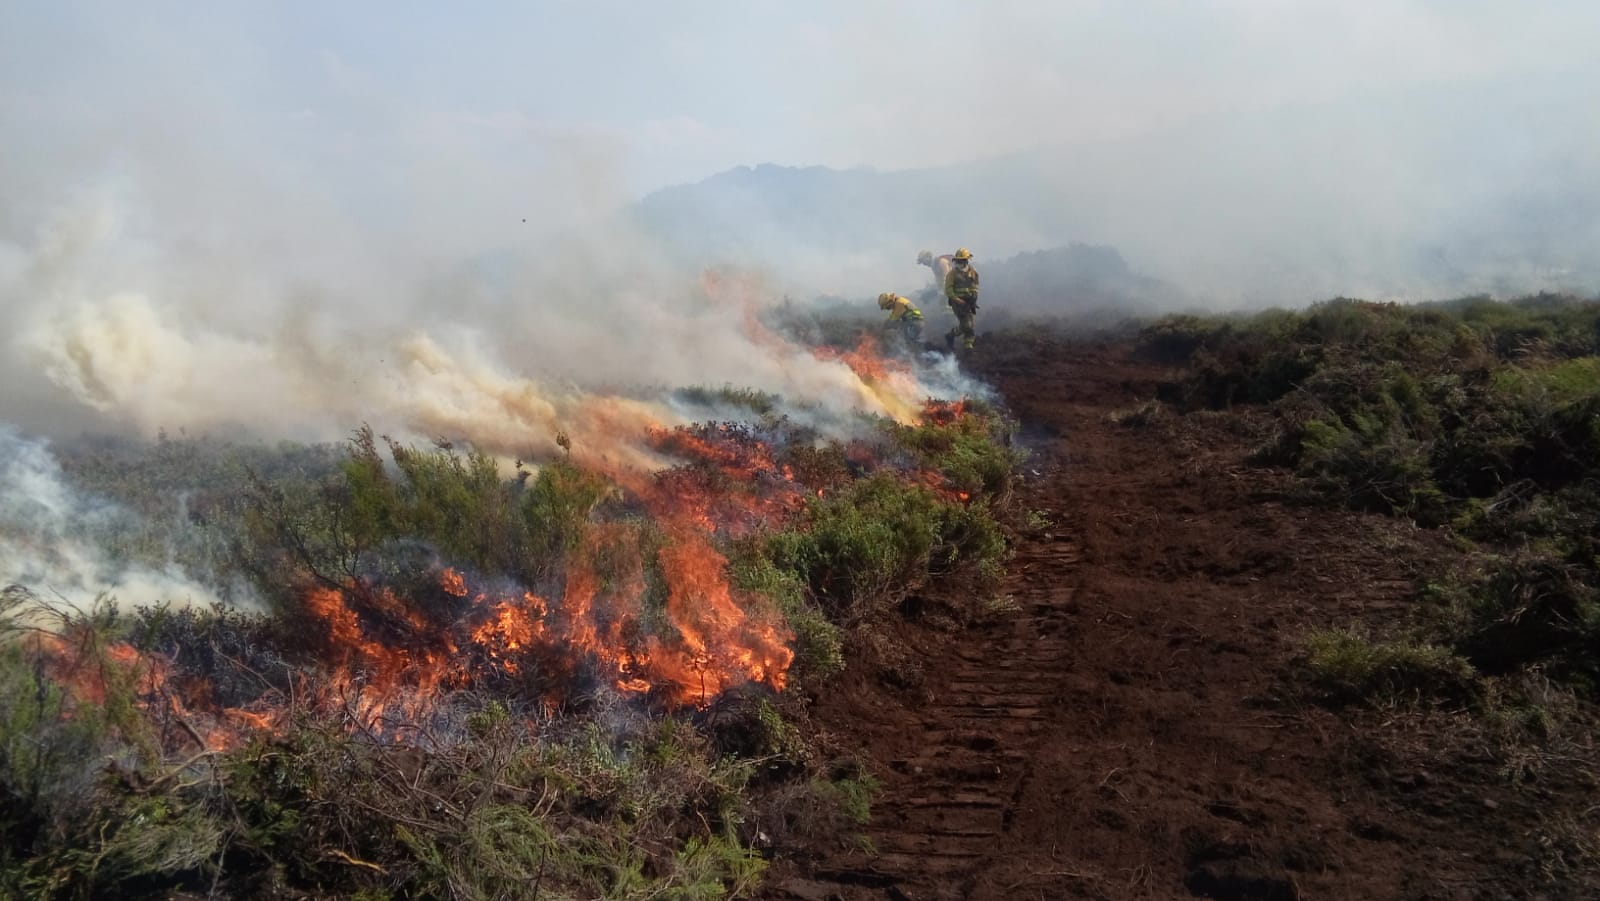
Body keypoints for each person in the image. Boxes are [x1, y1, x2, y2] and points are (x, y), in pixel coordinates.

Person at [943, 247, 979, 350]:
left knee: (970, 324)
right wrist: (958, 300)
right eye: (958, 260)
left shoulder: (972, 271)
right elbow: (948, 290)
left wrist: (974, 296)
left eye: (962, 260)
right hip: (957, 303)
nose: (959, 263)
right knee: (967, 324)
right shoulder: (952, 274)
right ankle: (960, 340)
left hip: (969, 301)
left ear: (966, 260)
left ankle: (967, 345)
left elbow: (975, 285)